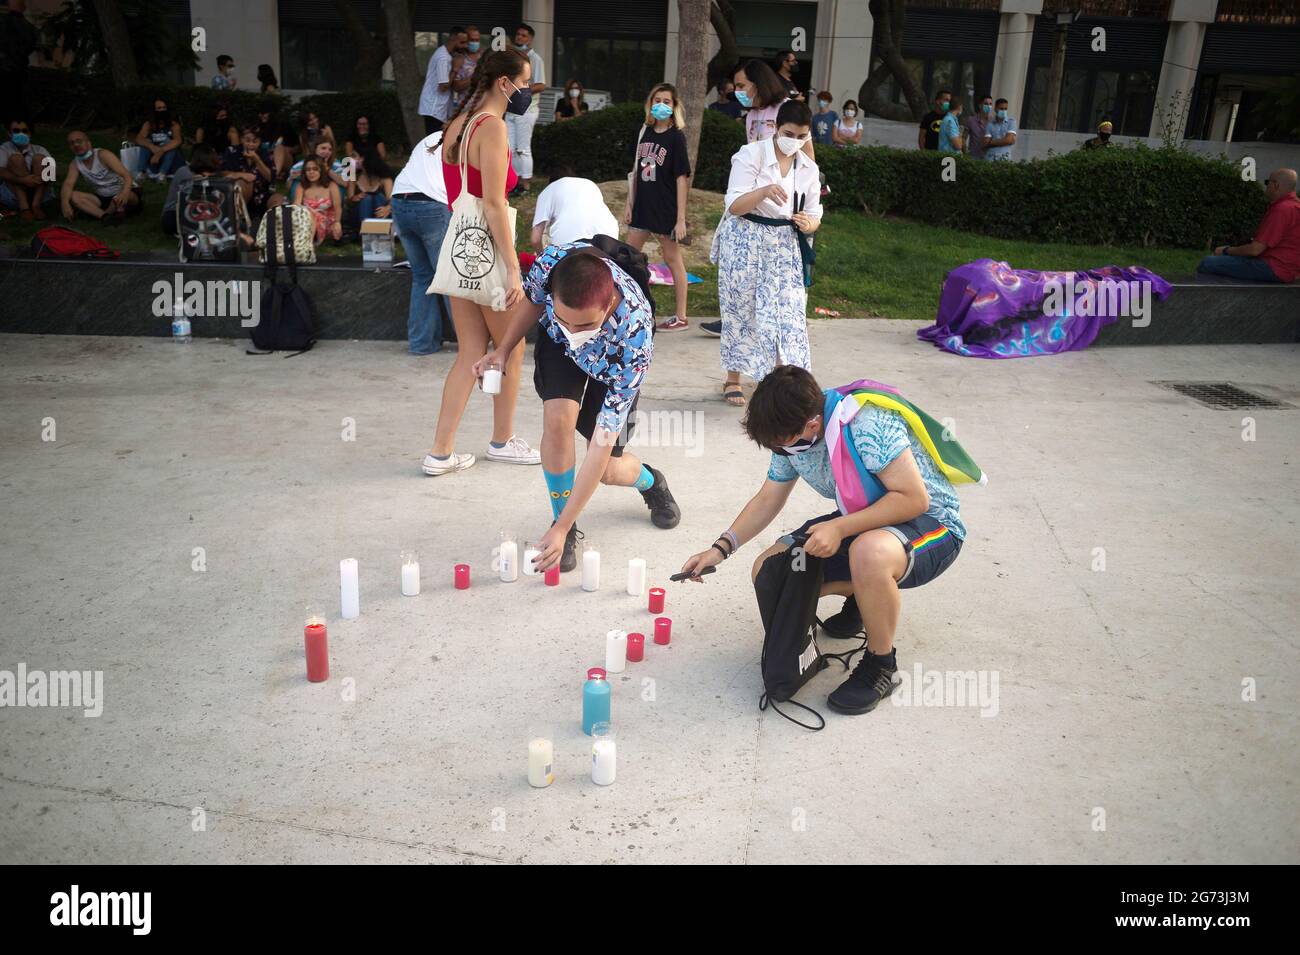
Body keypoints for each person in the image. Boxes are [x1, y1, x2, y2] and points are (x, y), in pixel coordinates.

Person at [676, 365, 970, 716]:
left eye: (779, 443)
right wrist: (720, 549)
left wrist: (841, 528)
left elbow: (913, 499)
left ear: (812, 425)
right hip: (867, 519)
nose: (778, 450)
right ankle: (857, 604)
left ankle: (881, 665)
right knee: (773, 568)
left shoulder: (865, 423)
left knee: (868, 554)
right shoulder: (789, 437)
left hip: (932, 525)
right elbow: (769, 497)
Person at [472, 242, 683, 573]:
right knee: (557, 421)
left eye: (583, 326)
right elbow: (532, 302)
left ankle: (652, 482)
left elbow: (600, 446)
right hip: (557, 351)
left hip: (612, 363)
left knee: (608, 471)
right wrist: (501, 351)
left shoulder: (635, 339)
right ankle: (564, 524)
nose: (573, 332)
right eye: (563, 318)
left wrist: (585, 331)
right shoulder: (554, 262)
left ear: (609, 302)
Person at [421, 47, 541, 475]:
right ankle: (502, 440)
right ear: (505, 84)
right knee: (509, 347)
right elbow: (493, 203)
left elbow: (461, 194)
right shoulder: (492, 129)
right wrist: (513, 268)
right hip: (488, 247)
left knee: (469, 351)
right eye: (524, 83)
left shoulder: (458, 124)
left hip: (459, 246)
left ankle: (440, 452)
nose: (527, 91)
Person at [712, 99, 821, 407]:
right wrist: (762, 191)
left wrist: (809, 222)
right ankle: (733, 378)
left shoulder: (808, 168)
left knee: (788, 312)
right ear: (775, 127)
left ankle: (783, 380)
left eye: (802, 136)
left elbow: (815, 212)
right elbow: (734, 205)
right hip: (746, 239)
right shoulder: (751, 155)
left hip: (785, 243)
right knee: (741, 308)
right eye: (790, 134)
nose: (795, 142)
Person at [702, 58, 813, 338]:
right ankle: (737, 318)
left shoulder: (786, 108)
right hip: (754, 206)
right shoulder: (752, 114)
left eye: (742, 85)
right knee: (744, 273)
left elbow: (807, 155)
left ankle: (784, 320)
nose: (737, 90)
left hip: (783, 210)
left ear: (758, 83)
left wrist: (805, 197)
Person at [624, 83, 692, 332]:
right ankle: (628, 310)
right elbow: (635, 172)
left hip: (665, 209)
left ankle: (681, 316)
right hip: (642, 206)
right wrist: (629, 204)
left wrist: (680, 218)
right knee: (627, 258)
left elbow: (681, 178)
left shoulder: (676, 137)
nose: (661, 105)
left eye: (667, 101)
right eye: (657, 100)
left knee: (672, 258)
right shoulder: (645, 131)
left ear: (674, 107)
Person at [391, 126, 453, 354]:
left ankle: (421, 344)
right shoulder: (466, 140)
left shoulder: (429, 138)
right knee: (447, 277)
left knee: (422, 276)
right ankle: (470, 344)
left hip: (399, 200)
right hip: (431, 204)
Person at [1197, 168, 1300, 283]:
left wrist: (1225, 250)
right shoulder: (1295, 207)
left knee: (1208, 263)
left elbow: (1255, 250)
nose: (1266, 186)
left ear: (1276, 185)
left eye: (1267, 182)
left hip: (1274, 268)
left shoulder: (1282, 209)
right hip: (1290, 270)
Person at [60, 130, 140, 221]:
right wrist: (64, 204)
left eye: (79, 141)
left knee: (123, 197)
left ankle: (105, 212)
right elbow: (68, 184)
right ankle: (104, 216)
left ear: (88, 143)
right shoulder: (75, 164)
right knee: (73, 196)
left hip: (123, 192)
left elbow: (127, 176)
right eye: (72, 143)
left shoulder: (103, 155)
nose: (76, 145)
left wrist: (124, 193)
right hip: (102, 197)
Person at [532, 163, 618, 248]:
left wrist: (542, 256)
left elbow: (535, 239)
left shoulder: (547, 191)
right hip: (608, 236)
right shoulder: (589, 183)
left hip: (568, 240)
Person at [505, 22, 546, 196]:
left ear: (530, 39)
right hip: (511, 109)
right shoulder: (514, 58)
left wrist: (519, 90)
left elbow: (541, 85)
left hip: (527, 109)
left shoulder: (535, 59)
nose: (519, 37)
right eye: (518, 34)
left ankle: (526, 185)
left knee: (523, 149)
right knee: (510, 148)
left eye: (524, 35)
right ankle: (514, 184)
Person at [161, 145, 220, 236]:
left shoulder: (212, 174)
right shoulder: (184, 171)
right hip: (174, 214)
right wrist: (200, 180)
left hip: (198, 212)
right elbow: (189, 199)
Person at [0, 118, 52, 219]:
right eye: (16, 131)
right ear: (9, 133)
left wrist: (39, 177)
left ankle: (36, 205)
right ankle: (25, 208)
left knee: (40, 158)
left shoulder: (40, 149)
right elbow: (0, 171)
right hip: (14, 196)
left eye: (25, 131)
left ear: (30, 134)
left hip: (39, 193)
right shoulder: (3, 149)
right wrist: (23, 180)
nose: (21, 134)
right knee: (16, 159)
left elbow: (52, 172)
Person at [419, 26, 466, 135]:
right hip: (434, 109)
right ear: (453, 39)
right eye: (462, 42)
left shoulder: (446, 55)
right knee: (433, 141)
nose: (465, 46)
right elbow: (443, 86)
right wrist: (455, 69)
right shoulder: (443, 58)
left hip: (437, 109)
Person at [0, 0, 38, 128]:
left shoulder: (4, 22)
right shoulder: (29, 27)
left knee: (9, 101)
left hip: (6, 68)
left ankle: (14, 127)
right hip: (20, 68)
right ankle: (23, 126)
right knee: (19, 100)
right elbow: (31, 45)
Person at [222, 126, 273, 217]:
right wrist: (241, 175)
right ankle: (239, 219)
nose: (251, 144)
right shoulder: (232, 152)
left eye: (255, 141)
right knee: (244, 181)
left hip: (262, 195)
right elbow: (221, 173)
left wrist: (257, 160)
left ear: (260, 142)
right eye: (248, 141)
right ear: (241, 140)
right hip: (238, 197)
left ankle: (271, 223)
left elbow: (270, 178)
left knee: (279, 200)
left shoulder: (264, 153)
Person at [295, 157, 342, 245]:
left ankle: (307, 243)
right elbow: (296, 206)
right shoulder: (302, 186)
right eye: (308, 170)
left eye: (315, 169)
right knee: (308, 213)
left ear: (321, 171)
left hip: (327, 222)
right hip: (307, 222)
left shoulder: (331, 186)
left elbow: (337, 207)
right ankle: (308, 242)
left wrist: (337, 222)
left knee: (312, 214)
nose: (311, 172)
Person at [135, 98, 185, 180]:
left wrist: (160, 151)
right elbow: (139, 139)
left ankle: (162, 174)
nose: (162, 110)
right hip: (155, 159)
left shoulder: (174, 125)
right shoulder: (148, 124)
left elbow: (178, 141)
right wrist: (151, 146)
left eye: (164, 108)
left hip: (172, 160)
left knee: (172, 146)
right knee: (145, 144)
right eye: (159, 108)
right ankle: (141, 172)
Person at [346, 141, 394, 222]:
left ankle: (375, 231)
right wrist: (355, 198)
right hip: (359, 214)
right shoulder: (353, 175)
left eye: (354, 156)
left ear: (365, 159)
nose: (351, 159)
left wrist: (388, 208)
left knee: (378, 196)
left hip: (382, 211)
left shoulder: (384, 177)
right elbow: (349, 201)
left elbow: (392, 199)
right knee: (367, 198)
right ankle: (370, 231)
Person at [451, 25, 481, 110]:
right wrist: (475, 77)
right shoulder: (459, 59)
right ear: (465, 40)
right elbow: (456, 86)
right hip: (464, 109)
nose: (475, 43)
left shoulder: (485, 58)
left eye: (477, 40)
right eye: (472, 40)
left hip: (483, 108)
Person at [965, 94, 992, 159]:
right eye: (986, 104)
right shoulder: (971, 120)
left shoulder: (993, 122)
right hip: (973, 158)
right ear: (980, 105)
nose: (988, 106)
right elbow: (963, 138)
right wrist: (965, 153)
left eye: (990, 104)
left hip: (988, 159)